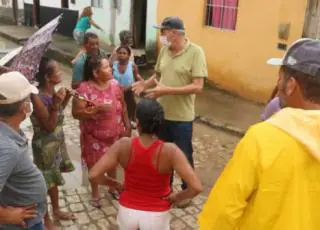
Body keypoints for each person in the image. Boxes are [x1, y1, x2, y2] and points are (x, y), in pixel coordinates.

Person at [199, 38, 320, 230]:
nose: (277, 82)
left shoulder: (262, 139)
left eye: (280, 76)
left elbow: (221, 214)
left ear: (291, 85)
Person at [89, 99, 202, 230]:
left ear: (137, 122)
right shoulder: (171, 151)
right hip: (157, 216)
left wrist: (115, 184)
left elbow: (93, 175)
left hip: (128, 212)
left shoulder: (123, 145)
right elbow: (196, 187)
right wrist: (176, 198)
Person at [132, 16, 208, 207]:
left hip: (182, 118)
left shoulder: (196, 52)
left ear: (174, 33)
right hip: (162, 115)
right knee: (163, 155)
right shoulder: (165, 50)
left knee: (183, 155)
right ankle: (165, 188)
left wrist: (167, 91)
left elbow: (198, 86)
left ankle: (186, 192)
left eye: (163, 31)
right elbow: (158, 74)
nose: (161, 36)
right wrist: (145, 84)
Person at [72, 56, 131, 207]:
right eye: (106, 67)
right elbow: (76, 113)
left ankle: (112, 187)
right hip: (93, 138)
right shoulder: (84, 90)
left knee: (113, 162)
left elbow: (123, 106)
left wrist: (127, 126)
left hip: (115, 135)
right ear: (96, 73)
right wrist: (96, 109)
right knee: (95, 165)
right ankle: (95, 192)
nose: (110, 69)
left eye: (109, 66)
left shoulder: (116, 84)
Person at [30, 57, 76, 229]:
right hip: (44, 149)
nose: (60, 73)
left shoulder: (52, 92)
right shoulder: (37, 97)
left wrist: (65, 100)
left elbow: (57, 114)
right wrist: (56, 103)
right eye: (57, 71)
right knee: (44, 183)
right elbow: (49, 125)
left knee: (53, 179)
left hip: (56, 144)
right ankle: (46, 217)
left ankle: (56, 210)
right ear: (48, 77)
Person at [0, 71, 47, 229]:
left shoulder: (9, 130)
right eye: (28, 99)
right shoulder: (8, 148)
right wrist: (5, 215)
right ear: (23, 107)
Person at [113, 46, 143, 125]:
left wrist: (143, 84)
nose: (121, 55)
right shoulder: (113, 66)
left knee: (131, 106)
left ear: (129, 56)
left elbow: (137, 79)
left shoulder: (132, 66)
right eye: (119, 53)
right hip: (117, 92)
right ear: (117, 54)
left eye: (124, 53)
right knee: (118, 107)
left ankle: (132, 121)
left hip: (129, 91)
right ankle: (119, 121)